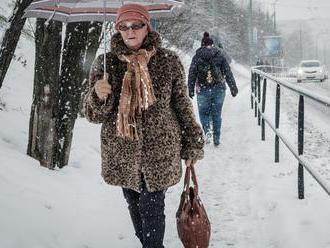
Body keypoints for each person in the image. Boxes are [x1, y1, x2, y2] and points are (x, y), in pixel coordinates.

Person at [83, 4, 204, 248]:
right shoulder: (105, 64)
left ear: (146, 26)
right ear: (117, 30)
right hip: (122, 153)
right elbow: (94, 117)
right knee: (135, 207)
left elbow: (182, 104)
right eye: (123, 27)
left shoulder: (168, 61)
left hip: (159, 152)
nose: (130, 31)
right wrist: (98, 96)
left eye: (136, 25)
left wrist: (192, 144)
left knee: (151, 208)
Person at [188, 32, 238, 147]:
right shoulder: (219, 55)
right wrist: (233, 87)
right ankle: (216, 138)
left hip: (202, 89)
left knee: (204, 113)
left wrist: (190, 89)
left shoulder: (197, 56)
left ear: (202, 44)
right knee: (216, 114)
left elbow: (192, 74)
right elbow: (227, 72)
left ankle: (207, 131)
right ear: (212, 44)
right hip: (218, 89)